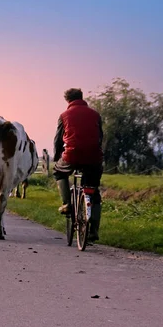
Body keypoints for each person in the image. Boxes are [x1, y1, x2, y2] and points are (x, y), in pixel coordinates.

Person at [53, 88, 104, 242]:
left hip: (71, 156)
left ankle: (67, 204)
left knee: (58, 172)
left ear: (68, 100)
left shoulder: (64, 115)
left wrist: (57, 158)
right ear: (82, 97)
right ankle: (93, 230)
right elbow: (100, 137)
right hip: (94, 158)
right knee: (93, 192)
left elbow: (58, 140)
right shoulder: (95, 114)